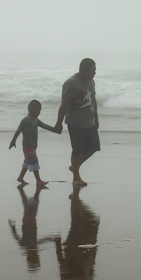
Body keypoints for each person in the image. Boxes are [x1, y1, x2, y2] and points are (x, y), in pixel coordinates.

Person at [54, 58, 99, 186]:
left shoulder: (91, 82)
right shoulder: (71, 83)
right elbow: (64, 105)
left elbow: (93, 100)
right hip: (75, 123)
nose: (95, 73)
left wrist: (96, 118)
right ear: (84, 70)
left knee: (94, 147)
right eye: (93, 70)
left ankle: (75, 166)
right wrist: (59, 123)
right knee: (77, 150)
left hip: (89, 121)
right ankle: (76, 177)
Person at [9, 99, 59, 185]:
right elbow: (18, 131)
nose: (39, 113)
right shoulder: (26, 120)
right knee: (34, 161)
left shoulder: (36, 120)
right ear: (33, 110)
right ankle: (38, 180)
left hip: (33, 145)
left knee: (27, 161)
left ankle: (20, 177)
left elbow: (44, 126)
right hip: (27, 146)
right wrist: (13, 141)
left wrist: (54, 129)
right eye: (39, 111)